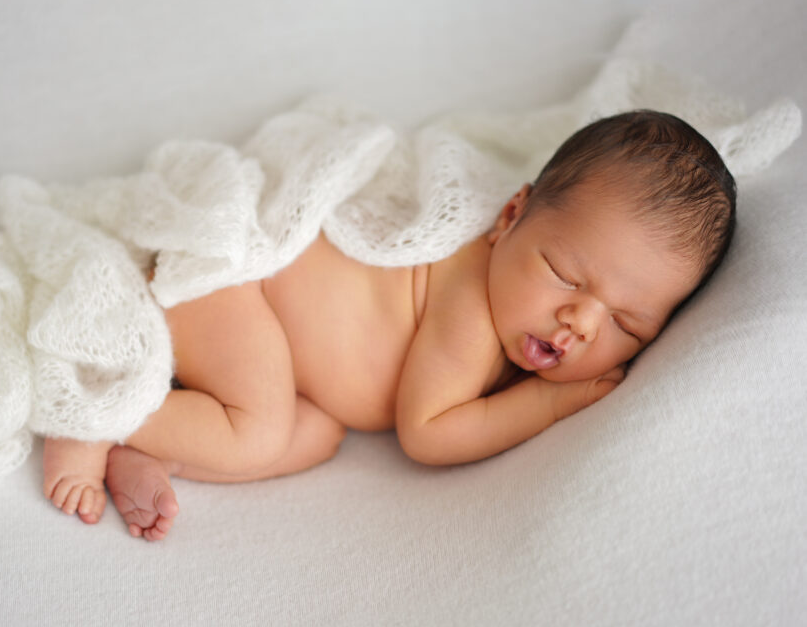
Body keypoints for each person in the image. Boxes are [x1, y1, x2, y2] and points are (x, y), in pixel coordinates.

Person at [41, 109, 736, 541]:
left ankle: (159, 444)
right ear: (510, 217)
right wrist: (551, 399)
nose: (580, 320)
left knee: (315, 435)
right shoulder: (470, 301)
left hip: (274, 349)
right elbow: (428, 432)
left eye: (626, 324)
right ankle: (96, 417)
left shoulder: (519, 303)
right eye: (564, 273)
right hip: (232, 289)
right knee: (256, 431)